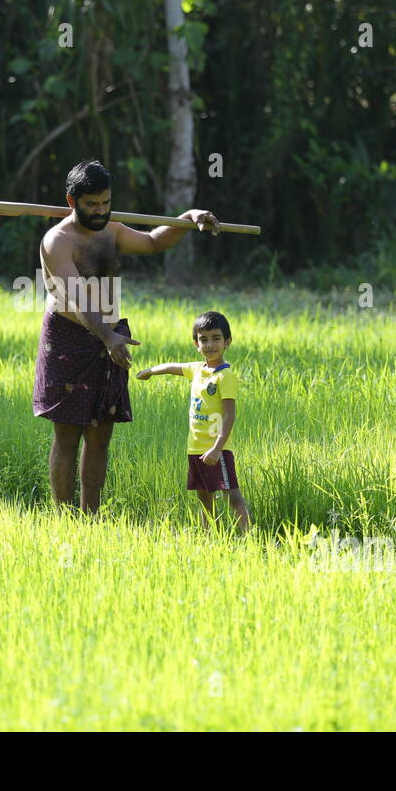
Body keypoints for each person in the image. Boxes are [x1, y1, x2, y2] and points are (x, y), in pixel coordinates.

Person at [33, 158, 221, 514]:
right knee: (68, 434)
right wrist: (106, 336)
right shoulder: (57, 241)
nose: (101, 210)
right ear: (72, 201)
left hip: (111, 337)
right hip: (69, 339)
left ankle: (90, 514)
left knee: (101, 433)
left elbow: (152, 242)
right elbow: (76, 295)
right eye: (92, 205)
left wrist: (186, 218)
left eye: (106, 202)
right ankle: (63, 514)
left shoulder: (112, 230)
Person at [135, 311, 251, 532]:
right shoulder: (198, 370)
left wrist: (217, 448)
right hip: (195, 447)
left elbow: (230, 415)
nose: (210, 345)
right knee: (204, 497)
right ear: (196, 343)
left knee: (232, 496)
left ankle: (247, 538)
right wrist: (150, 371)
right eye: (203, 339)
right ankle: (209, 538)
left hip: (218, 449)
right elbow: (172, 367)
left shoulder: (225, 377)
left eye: (216, 338)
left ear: (227, 342)